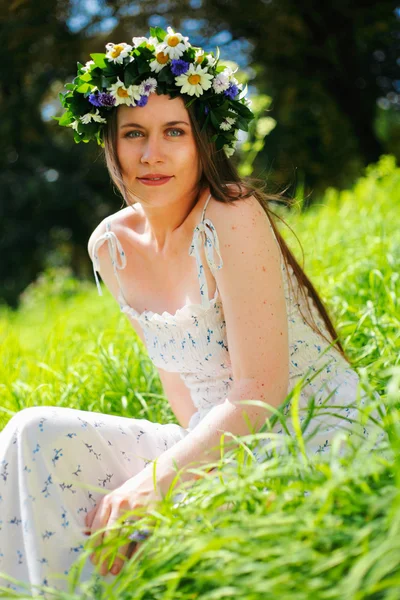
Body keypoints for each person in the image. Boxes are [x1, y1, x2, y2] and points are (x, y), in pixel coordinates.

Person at [0, 25, 386, 597]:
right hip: (216, 445)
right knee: (28, 435)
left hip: (311, 438)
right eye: (133, 133)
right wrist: (170, 488)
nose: (152, 154)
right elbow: (184, 403)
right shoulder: (110, 246)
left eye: (173, 131)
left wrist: (158, 483)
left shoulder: (230, 215)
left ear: (203, 140)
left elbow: (263, 388)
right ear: (109, 142)